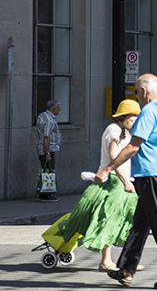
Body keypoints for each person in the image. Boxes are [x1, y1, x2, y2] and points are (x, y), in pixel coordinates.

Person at [95, 74, 157, 289]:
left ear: (144, 92)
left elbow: (133, 146)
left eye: (137, 91)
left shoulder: (148, 112)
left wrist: (107, 169)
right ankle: (126, 269)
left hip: (150, 175)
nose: (137, 95)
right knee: (140, 222)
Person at [54, 100, 141, 271]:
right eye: (133, 115)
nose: (136, 119)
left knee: (124, 221)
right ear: (123, 116)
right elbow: (114, 158)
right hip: (115, 181)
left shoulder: (125, 131)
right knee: (110, 218)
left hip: (123, 181)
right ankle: (107, 261)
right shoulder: (114, 130)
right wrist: (125, 182)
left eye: (138, 115)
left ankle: (126, 261)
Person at [36, 100, 62, 202]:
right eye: (58, 108)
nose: (59, 110)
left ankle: (45, 192)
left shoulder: (42, 115)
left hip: (42, 148)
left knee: (45, 170)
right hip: (48, 149)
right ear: (53, 109)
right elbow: (46, 137)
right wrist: (47, 153)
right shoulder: (50, 120)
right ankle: (46, 193)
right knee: (48, 171)